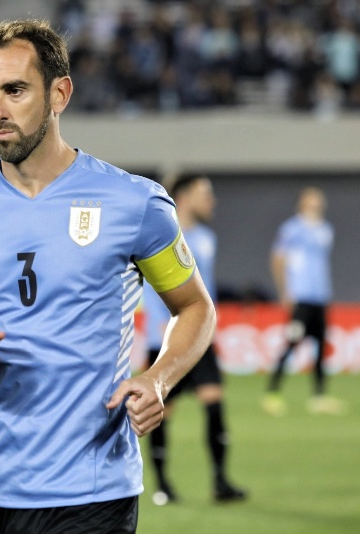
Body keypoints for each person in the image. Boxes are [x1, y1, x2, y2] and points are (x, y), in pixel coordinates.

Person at [0, 19, 215, 534]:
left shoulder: (134, 203)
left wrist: (158, 379)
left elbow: (195, 307)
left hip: (98, 490)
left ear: (59, 93)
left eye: (15, 90)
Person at [142, 176, 247, 505]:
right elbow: (152, 285)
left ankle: (220, 481)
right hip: (166, 339)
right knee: (160, 411)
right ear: (184, 198)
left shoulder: (207, 238)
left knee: (214, 402)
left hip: (200, 338)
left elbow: (203, 292)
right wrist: (161, 328)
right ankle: (162, 485)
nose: (211, 201)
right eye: (205, 194)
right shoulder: (158, 232)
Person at [262, 187, 346, 416]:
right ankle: (272, 393)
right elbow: (278, 258)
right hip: (301, 297)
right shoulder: (292, 229)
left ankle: (319, 397)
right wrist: (285, 291)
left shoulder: (326, 230)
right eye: (312, 199)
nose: (317, 203)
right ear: (302, 203)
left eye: (319, 199)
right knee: (291, 343)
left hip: (320, 297)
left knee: (320, 348)